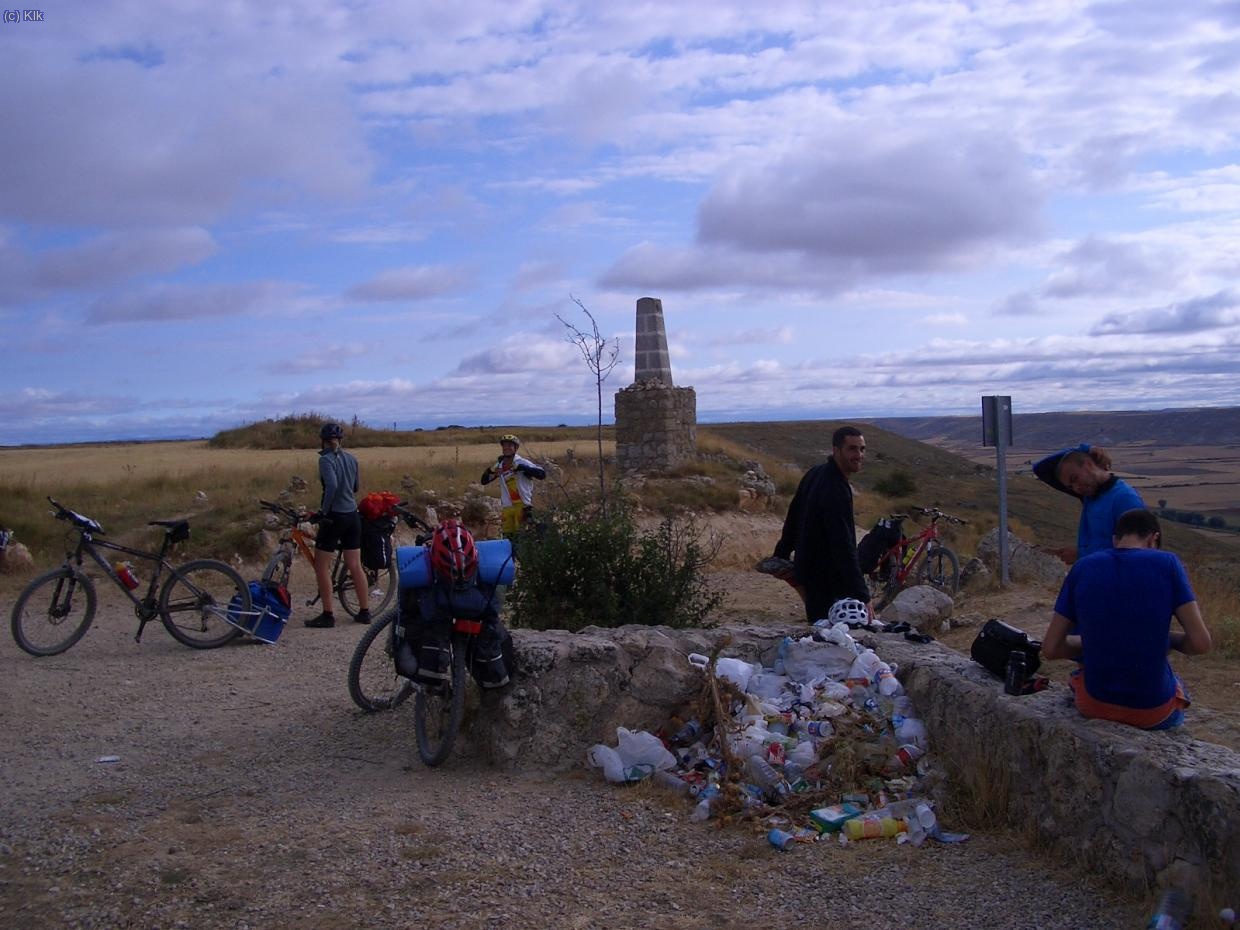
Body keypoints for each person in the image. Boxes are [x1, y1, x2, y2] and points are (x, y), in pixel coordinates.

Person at [1042, 509, 1211, 730]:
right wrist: (1165, 640)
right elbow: (1201, 643)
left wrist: (1097, 641)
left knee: (1080, 674)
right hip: (1152, 713)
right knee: (1176, 685)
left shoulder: (1083, 567)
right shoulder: (1168, 564)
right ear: (1154, 539)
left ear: (1115, 539)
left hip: (1092, 706)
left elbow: (1051, 649)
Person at [771, 425, 872, 624]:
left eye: (862, 449)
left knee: (819, 629)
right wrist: (862, 596)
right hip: (828, 580)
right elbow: (843, 545)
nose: (859, 455)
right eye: (852, 448)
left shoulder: (815, 473)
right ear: (836, 450)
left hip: (810, 572)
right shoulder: (836, 488)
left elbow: (794, 516)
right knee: (831, 639)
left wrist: (781, 553)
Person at [305, 422, 370, 628]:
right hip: (353, 515)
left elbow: (331, 485)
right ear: (340, 440)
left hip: (335, 516)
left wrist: (324, 511)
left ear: (323, 441)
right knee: (355, 565)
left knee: (321, 565)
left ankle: (327, 614)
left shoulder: (325, 460)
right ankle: (365, 611)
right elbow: (355, 487)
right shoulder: (352, 458)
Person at [1033, 443, 1144, 560]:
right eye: (1071, 487)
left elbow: (1132, 553)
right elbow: (1040, 469)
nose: (1076, 488)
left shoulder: (1125, 498)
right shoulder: (1089, 494)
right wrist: (1086, 449)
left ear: (1089, 464)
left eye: (1075, 478)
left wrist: (1081, 554)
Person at [480, 434, 546, 539]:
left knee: (522, 538)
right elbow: (484, 481)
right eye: (504, 445)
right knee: (508, 538)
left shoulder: (521, 462)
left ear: (516, 448)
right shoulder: (499, 465)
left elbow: (542, 474)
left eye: (510, 445)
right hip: (507, 507)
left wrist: (522, 468)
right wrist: (491, 471)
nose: (506, 448)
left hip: (523, 506)